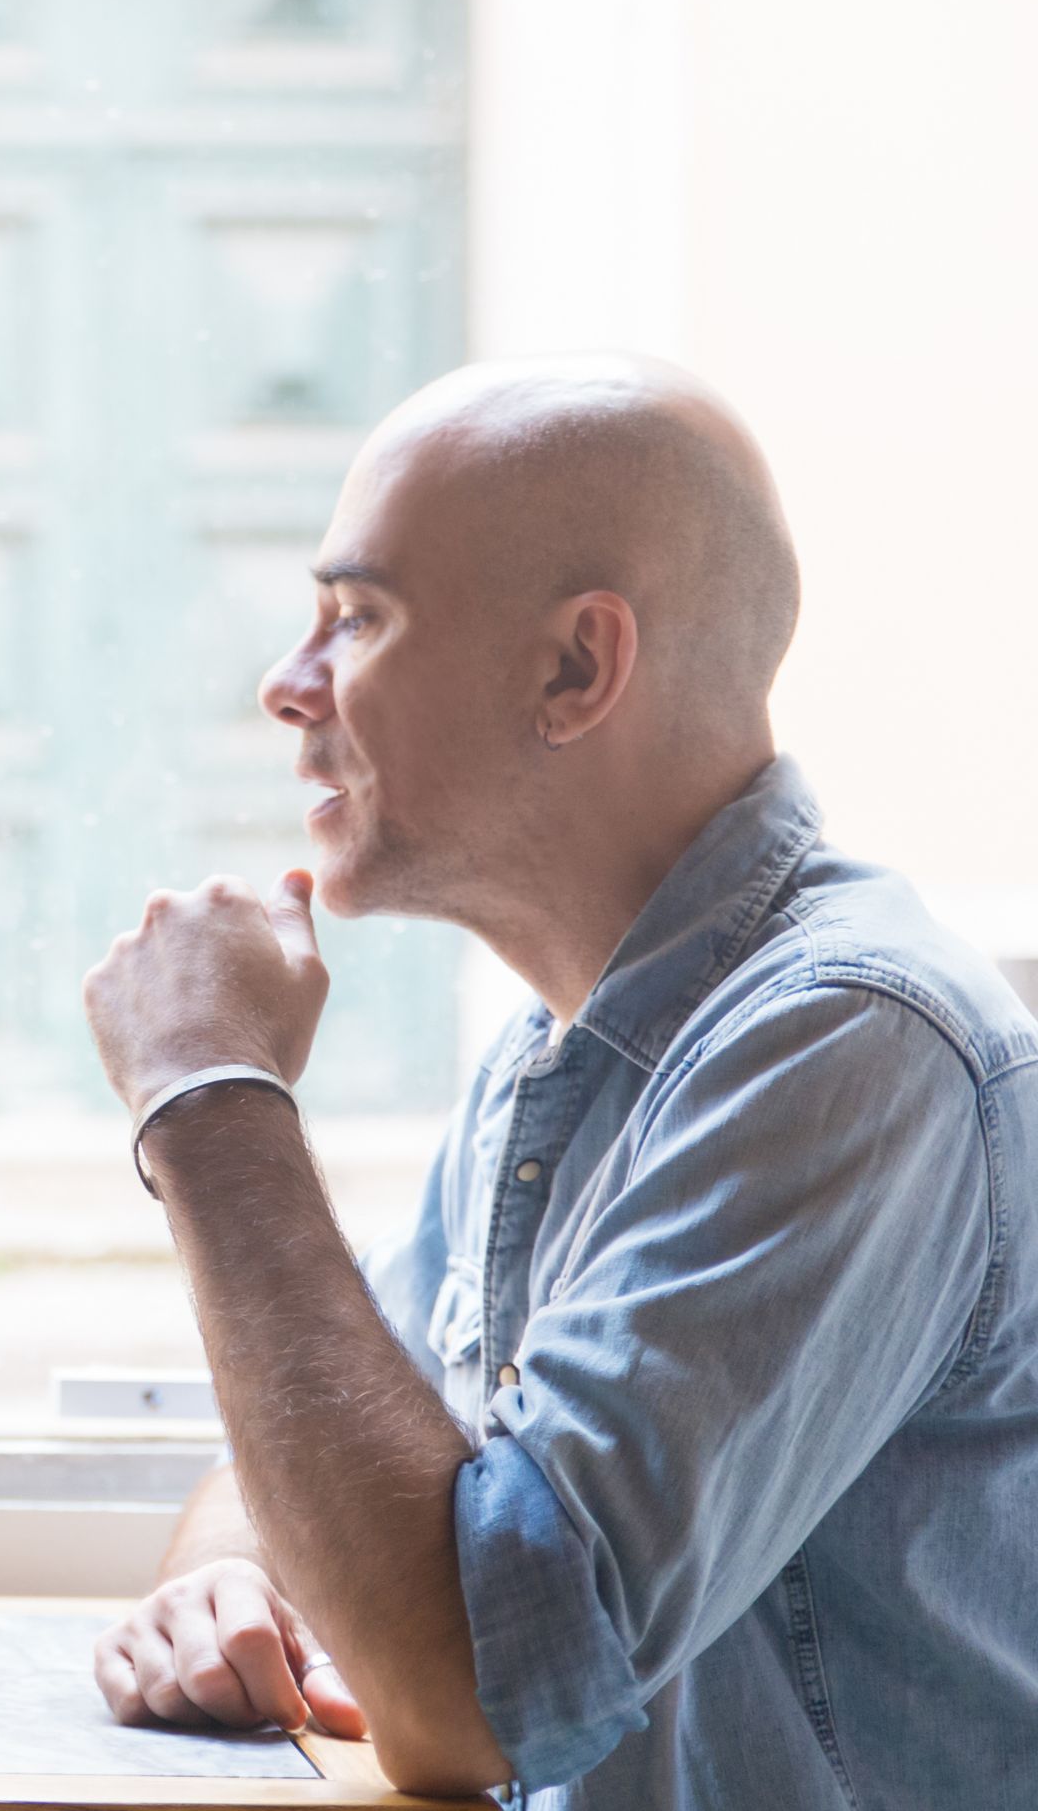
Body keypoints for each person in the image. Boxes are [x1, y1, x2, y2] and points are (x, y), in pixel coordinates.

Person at [77, 356, 1038, 1806]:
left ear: (577, 668)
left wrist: (211, 1102)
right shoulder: (562, 1054)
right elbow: (336, 1446)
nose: (287, 686)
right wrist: (219, 1581)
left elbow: (472, 1697)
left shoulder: (852, 1051)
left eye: (359, 617)